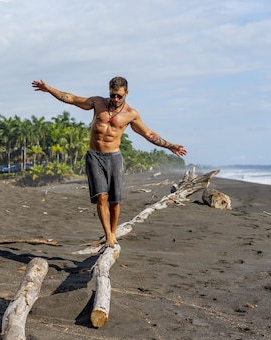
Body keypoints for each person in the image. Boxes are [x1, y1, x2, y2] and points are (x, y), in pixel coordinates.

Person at [32, 76, 187, 247]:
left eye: (119, 96)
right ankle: (109, 236)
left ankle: (113, 232)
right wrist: (50, 89)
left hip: (114, 158)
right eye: (113, 95)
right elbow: (72, 99)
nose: (115, 99)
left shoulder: (131, 114)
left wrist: (170, 146)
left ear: (126, 93)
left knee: (114, 202)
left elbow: (148, 134)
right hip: (94, 156)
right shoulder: (98, 103)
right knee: (102, 197)